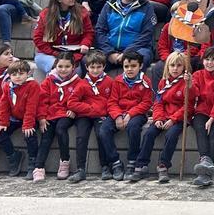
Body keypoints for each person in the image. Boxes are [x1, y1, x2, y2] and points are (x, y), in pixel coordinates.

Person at [129, 52, 191, 184]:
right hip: (163, 116)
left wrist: (173, 119)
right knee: (149, 134)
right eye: (172, 65)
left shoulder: (187, 83)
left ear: (184, 67)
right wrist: (158, 118)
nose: (175, 68)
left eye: (179, 66)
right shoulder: (164, 82)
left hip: (179, 118)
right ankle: (141, 165)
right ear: (167, 67)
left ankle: (163, 165)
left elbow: (188, 106)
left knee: (171, 135)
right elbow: (158, 102)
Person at [96, 49, 152, 180]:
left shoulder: (145, 81)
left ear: (141, 66)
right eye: (126, 66)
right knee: (103, 130)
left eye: (133, 66)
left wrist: (130, 114)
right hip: (119, 112)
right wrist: (117, 116)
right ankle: (115, 162)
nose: (129, 69)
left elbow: (146, 103)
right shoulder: (118, 80)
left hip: (137, 113)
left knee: (133, 127)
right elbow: (112, 102)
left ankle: (132, 161)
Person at [28, 54, 82, 182]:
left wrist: (74, 110)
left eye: (67, 66)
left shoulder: (78, 82)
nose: (63, 69)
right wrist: (41, 118)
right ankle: (39, 167)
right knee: (46, 135)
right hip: (50, 114)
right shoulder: (48, 81)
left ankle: (64, 161)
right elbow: (42, 101)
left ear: (73, 67)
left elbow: (80, 99)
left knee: (61, 129)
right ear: (55, 66)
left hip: (66, 114)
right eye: (60, 66)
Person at [67, 51, 115, 183]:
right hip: (85, 115)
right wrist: (89, 109)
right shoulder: (82, 83)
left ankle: (105, 167)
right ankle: (80, 169)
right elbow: (71, 102)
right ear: (87, 67)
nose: (95, 70)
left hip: (101, 115)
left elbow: (112, 100)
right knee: (81, 137)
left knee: (101, 134)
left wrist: (100, 111)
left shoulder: (109, 82)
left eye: (98, 67)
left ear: (104, 67)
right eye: (92, 67)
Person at [32, 0, 95, 79]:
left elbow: (88, 33)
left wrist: (85, 44)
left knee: (72, 70)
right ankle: (52, 89)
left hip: (74, 54)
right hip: (49, 53)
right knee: (60, 67)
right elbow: (38, 38)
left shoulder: (82, 12)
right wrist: (56, 54)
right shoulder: (46, 14)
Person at [95, 0, 156, 68]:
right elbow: (100, 31)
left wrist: (127, 53)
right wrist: (110, 53)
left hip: (137, 49)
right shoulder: (109, 6)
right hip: (111, 50)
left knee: (141, 58)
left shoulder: (146, 6)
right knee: (89, 60)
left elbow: (147, 34)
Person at [0, 59, 39, 177]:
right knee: (0, 133)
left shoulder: (32, 85)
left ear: (28, 74)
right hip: (15, 117)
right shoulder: (8, 86)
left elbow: (31, 106)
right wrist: (3, 123)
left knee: (29, 134)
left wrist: (28, 124)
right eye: (14, 74)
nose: (17, 77)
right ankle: (13, 156)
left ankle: (32, 162)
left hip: (30, 117)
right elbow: (4, 105)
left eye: (21, 74)